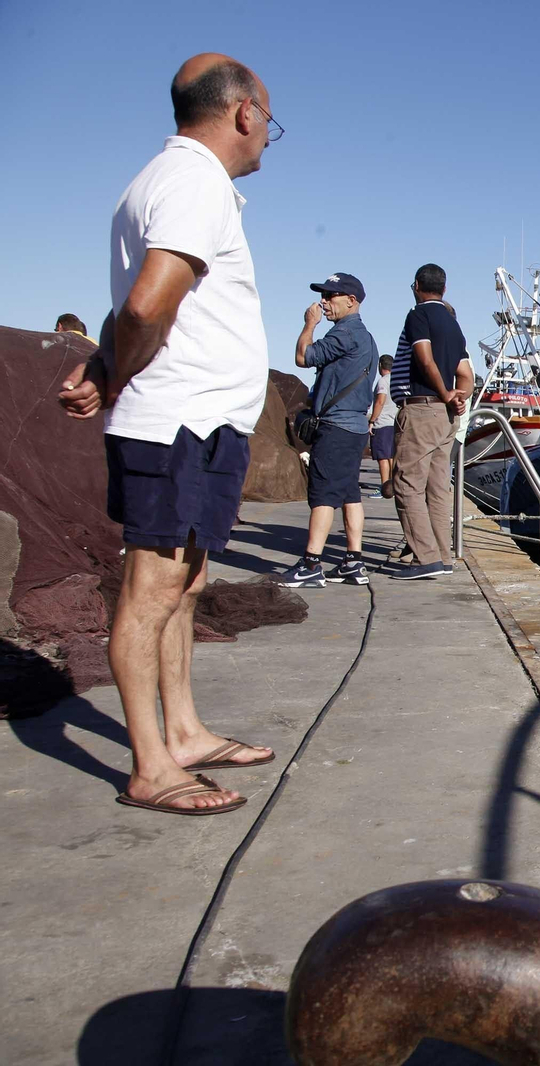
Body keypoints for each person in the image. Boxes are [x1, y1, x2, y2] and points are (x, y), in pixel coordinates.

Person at [57, 53, 280, 815]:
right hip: (177, 422)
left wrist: (101, 362)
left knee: (185, 581)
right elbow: (149, 305)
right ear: (244, 112)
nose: (267, 138)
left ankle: (182, 732)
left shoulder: (165, 180)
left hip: (199, 420)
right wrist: (116, 373)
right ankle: (151, 766)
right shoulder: (194, 183)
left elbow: (140, 305)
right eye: (269, 123)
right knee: (150, 590)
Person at [280, 273, 378, 588]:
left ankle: (311, 563)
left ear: (351, 301)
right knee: (349, 492)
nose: (324, 302)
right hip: (355, 428)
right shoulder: (368, 339)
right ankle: (353, 561)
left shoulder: (345, 334)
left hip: (336, 428)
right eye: (323, 295)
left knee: (322, 493)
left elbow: (302, 357)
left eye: (331, 296)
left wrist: (310, 324)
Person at [389, 264, 472, 580]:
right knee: (437, 487)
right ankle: (442, 556)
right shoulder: (453, 325)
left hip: (423, 409)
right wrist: (458, 396)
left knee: (407, 482)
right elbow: (466, 374)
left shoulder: (418, 316)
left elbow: (424, 359)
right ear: (445, 289)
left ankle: (425, 558)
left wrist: (444, 392)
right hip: (446, 417)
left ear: (416, 286)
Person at [368, 354, 397, 498]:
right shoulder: (398, 381)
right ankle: (393, 487)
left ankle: (383, 487)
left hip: (383, 423)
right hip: (395, 423)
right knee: (391, 456)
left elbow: (380, 401)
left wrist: (372, 421)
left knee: (383, 458)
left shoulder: (383, 382)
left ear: (380, 366)